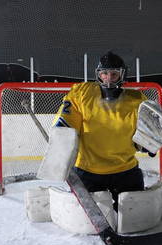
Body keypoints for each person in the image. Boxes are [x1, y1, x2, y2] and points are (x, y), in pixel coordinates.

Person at [55, 51, 154, 211]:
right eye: (104, 73)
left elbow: (144, 136)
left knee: (133, 215)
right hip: (88, 170)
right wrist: (60, 136)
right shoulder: (81, 93)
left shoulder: (137, 100)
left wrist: (148, 143)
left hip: (125, 170)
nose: (108, 78)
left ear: (122, 75)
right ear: (98, 74)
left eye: (114, 74)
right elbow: (66, 121)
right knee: (83, 217)